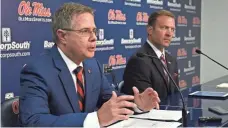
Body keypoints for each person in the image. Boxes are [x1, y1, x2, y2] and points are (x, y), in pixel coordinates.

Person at [19, 2, 160, 127]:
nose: (94, 38)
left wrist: (137, 105)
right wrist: (95, 119)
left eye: (94, 31)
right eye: (85, 31)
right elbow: (34, 121)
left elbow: (112, 101)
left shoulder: (93, 65)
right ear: (62, 36)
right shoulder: (37, 71)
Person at [122, 10, 179, 100]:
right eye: (164, 28)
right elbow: (145, 102)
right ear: (150, 30)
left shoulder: (172, 60)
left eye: (172, 29)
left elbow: (175, 95)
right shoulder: (139, 61)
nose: (169, 34)